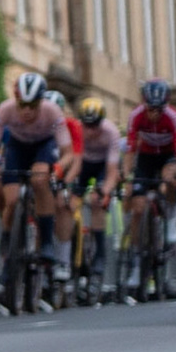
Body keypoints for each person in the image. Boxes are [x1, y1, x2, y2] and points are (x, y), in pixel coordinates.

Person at [0, 72, 75, 282]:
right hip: (17, 148)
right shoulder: (5, 110)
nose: (26, 111)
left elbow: (68, 152)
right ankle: (8, 240)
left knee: (39, 178)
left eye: (32, 105)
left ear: (41, 102)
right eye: (22, 104)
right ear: (16, 99)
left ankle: (46, 242)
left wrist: (59, 168)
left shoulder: (52, 111)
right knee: (12, 198)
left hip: (44, 146)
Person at [120, 77, 176, 293]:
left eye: (158, 110)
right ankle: (137, 262)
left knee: (169, 178)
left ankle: (170, 217)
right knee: (138, 207)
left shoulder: (173, 117)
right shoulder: (136, 116)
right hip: (147, 158)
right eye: (150, 109)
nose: (154, 114)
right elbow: (130, 149)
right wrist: (127, 176)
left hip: (167, 156)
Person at [75, 97, 122, 288]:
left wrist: (105, 191)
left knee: (96, 201)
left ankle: (100, 256)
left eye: (94, 125)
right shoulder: (77, 131)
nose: (90, 131)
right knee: (68, 202)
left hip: (103, 165)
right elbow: (72, 160)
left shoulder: (111, 133)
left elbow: (112, 171)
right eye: (87, 125)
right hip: (83, 164)